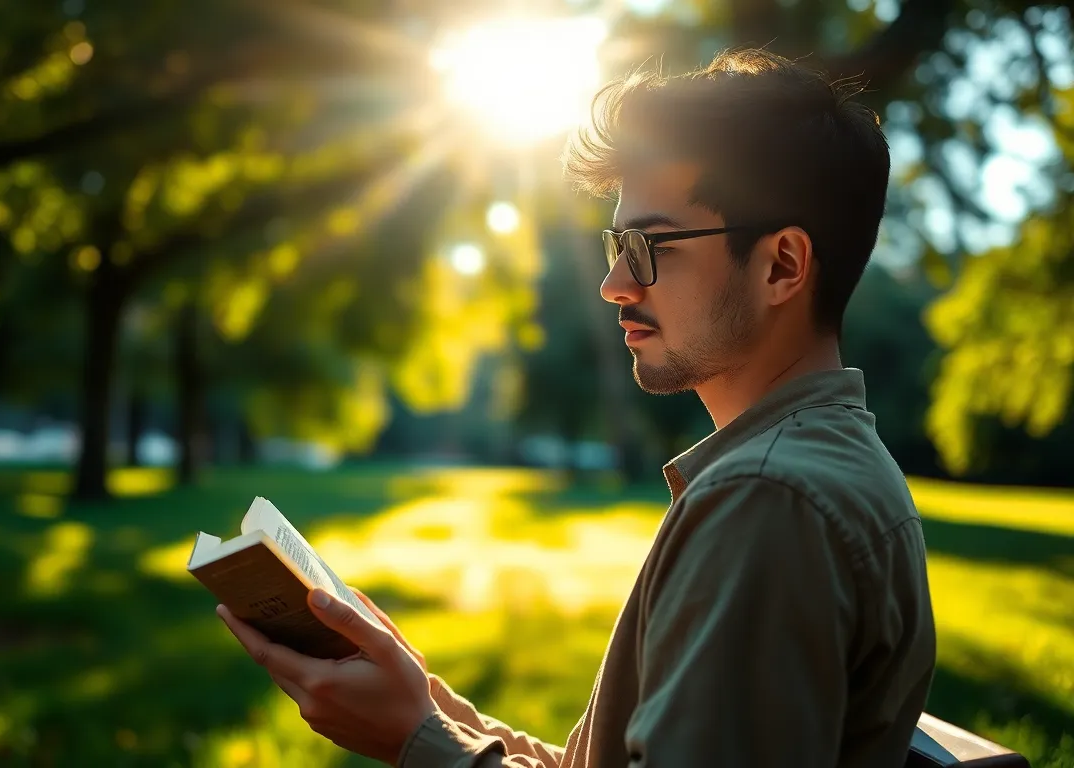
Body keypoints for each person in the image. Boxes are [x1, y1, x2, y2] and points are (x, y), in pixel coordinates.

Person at [217, 48, 938, 767]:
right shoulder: (805, 471)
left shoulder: (768, 499)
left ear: (782, 264)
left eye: (652, 246)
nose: (615, 284)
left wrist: (416, 743)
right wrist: (427, 708)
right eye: (616, 244)